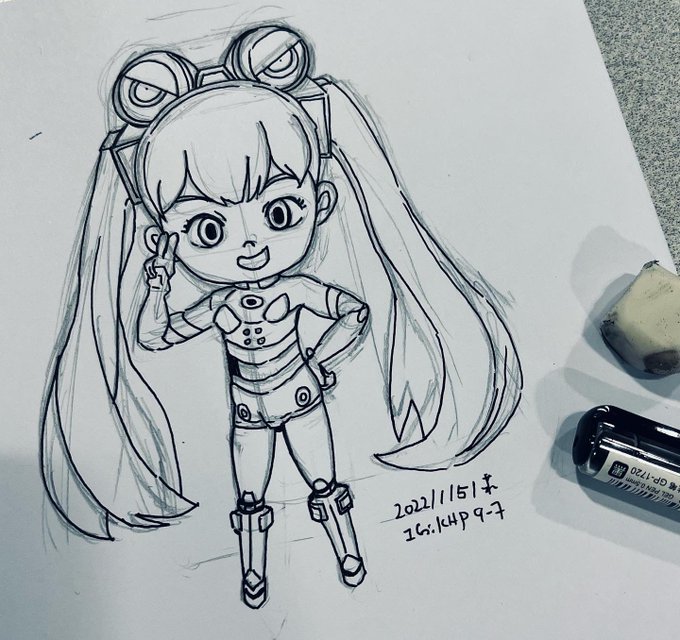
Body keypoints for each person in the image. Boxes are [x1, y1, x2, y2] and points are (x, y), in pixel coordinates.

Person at [41, 25, 522, 609]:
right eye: (208, 228)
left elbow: (353, 312)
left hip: (300, 397)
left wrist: (319, 361)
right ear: (165, 234)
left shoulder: (294, 290)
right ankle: (254, 572)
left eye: (277, 212)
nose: (248, 244)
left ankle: (347, 552)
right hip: (248, 411)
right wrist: (157, 287)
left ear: (321, 203)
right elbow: (155, 336)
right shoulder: (219, 304)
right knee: (250, 498)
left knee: (325, 484)